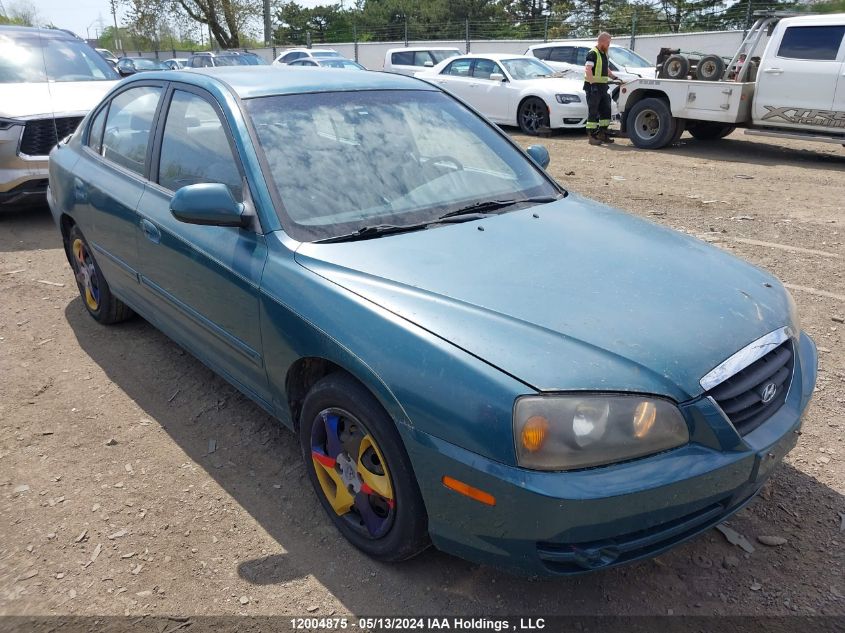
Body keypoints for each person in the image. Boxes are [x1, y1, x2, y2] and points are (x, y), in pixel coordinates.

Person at [584, 32, 617, 145]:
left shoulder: (603, 53)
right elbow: (588, 69)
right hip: (593, 88)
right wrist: (592, 84)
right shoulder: (593, 53)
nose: (609, 45)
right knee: (593, 112)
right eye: (608, 43)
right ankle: (591, 136)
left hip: (602, 88)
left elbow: (605, 69)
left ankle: (602, 134)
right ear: (602, 41)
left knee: (606, 111)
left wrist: (615, 77)